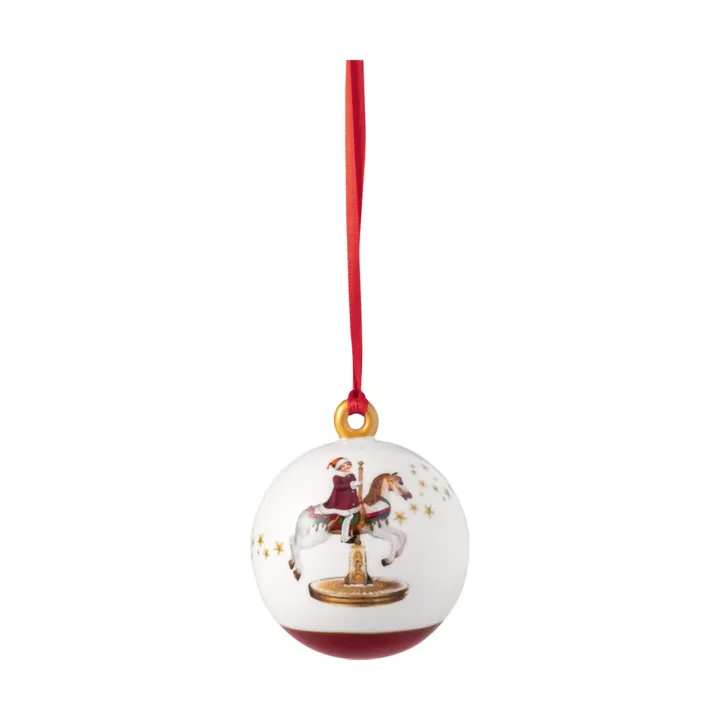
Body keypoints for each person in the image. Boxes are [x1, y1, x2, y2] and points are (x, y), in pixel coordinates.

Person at [321, 457, 361, 543]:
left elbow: (353, 482)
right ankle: (344, 537)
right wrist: (350, 485)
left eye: (347, 465)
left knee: (352, 515)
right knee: (348, 516)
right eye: (343, 466)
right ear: (339, 467)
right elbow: (337, 487)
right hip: (341, 500)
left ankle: (347, 535)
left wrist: (355, 484)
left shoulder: (351, 475)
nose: (346, 467)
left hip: (351, 499)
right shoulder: (337, 477)